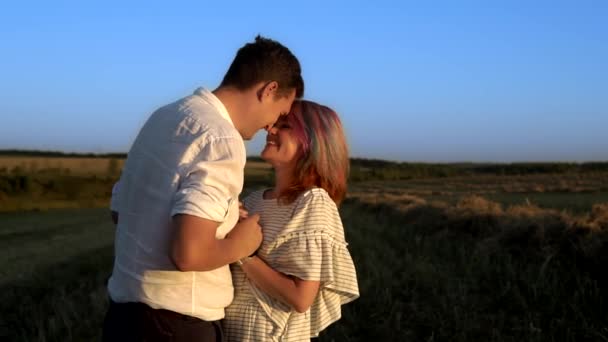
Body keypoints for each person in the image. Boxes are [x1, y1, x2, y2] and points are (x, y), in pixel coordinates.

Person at [103, 35, 304, 342]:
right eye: (279, 114)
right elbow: (189, 255)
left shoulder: (165, 116)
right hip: (177, 322)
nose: (270, 127)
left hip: (124, 316)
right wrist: (242, 242)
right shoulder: (222, 139)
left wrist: (217, 218)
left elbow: (122, 211)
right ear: (269, 89)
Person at [223, 100, 359, 341]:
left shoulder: (313, 202)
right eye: (275, 123)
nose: (270, 130)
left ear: (313, 141)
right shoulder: (254, 200)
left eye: (284, 126)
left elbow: (300, 298)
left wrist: (243, 253)